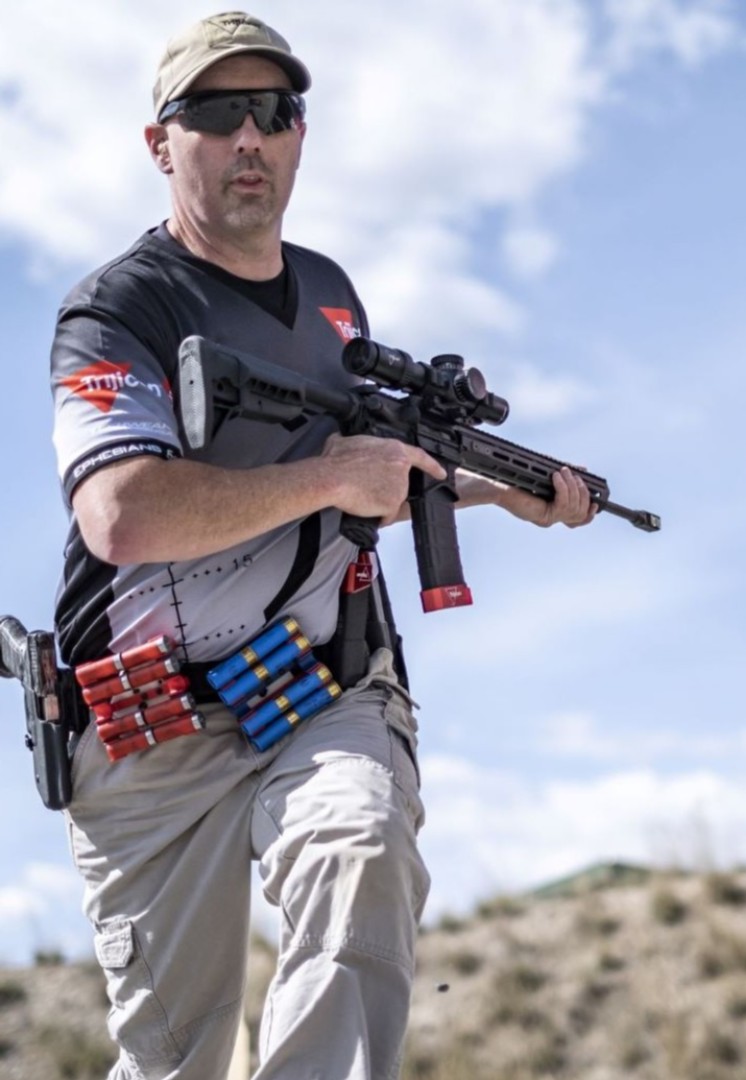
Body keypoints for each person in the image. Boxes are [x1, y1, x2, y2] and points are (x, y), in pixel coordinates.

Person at [50, 12, 595, 1079]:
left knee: (360, 849)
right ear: (160, 144)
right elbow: (121, 514)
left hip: (322, 688)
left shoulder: (334, 297)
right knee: (173, 1058)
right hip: (149, 722)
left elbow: (348, 496)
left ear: (301, 134)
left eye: (275, 110)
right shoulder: (117, 310)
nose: (249, 137)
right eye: (215, 113)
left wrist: (498, 491)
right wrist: (338, 475)